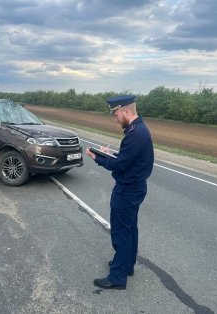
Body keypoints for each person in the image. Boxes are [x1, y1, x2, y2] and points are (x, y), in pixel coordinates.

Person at [85, 95, 154, 290]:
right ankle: (127, 265)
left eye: (116, 114)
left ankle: (117, 277)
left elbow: (120, 165)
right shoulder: (137, 129)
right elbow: (126, 158)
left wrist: (96, 157)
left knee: (121, 231)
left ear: (126, 111)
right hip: (135, 187)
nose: (115, 118)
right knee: (130, 228)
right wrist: (110, 153)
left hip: (128, 189)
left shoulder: (136, 134)